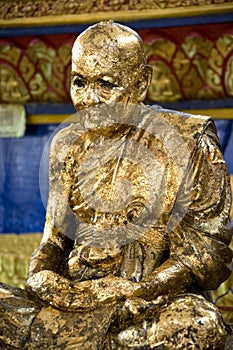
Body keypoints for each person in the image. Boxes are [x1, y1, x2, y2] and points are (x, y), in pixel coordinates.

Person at [0, 21, 232, 350]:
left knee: (198, 325)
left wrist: (135, 289)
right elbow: (53, 243)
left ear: (140, 83)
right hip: (72, 302)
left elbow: (208, 254)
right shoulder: (67, 144)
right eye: (79, 82)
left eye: (106, 84)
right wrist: (41, 276)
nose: (89, 99)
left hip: (144, 304)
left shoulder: (188, 139)